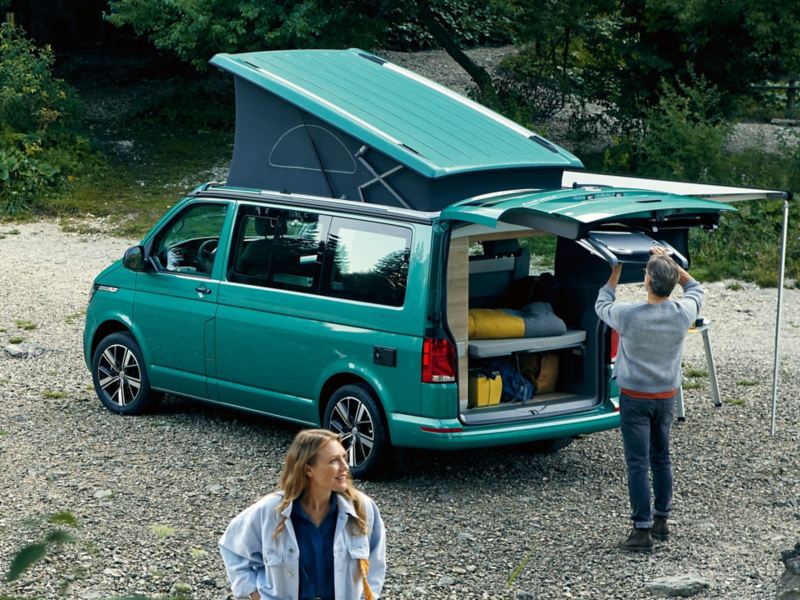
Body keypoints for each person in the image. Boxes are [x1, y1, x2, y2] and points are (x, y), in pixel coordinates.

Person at [595, 246, 703, 553]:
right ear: (669, 284)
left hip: (634, 399)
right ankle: (661, 521)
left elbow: (602, 303)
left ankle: (640, 531)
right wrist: (672, 264)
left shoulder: (628, 315)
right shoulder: (683, 314)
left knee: (638, 463)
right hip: (666, 397)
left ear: (647, 283)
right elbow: (695, 287)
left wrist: (615, 271)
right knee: (661, 458)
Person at [219, 429, 386, 599]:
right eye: (334, 460)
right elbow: (231, 547)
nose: (345, 467)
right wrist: (255, 594)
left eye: (344, 457)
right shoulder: (269, 511)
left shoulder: (362, 508)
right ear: (308, 469)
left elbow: (376, 565)